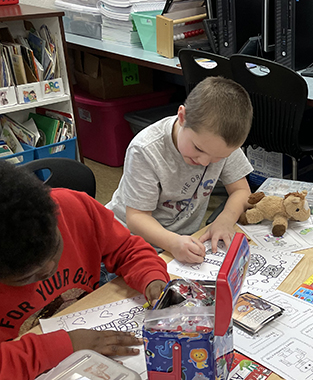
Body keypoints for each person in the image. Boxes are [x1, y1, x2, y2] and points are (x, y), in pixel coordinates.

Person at [0, 158, 170, 380]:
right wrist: (63, 346)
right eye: (26, 277)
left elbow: (127, 247)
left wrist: (152, 277)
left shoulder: (69, 207)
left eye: (55, 248)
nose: (50, 268)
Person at [106, 77, 254, 264]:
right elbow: (136, 217)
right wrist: (173, 243)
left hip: (176, 244)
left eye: (219, 158)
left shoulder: (219, 144)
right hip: (126, 244)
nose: (205, 161)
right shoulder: (145, 149)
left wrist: (224, 220)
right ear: (182, 117)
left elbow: (241, 191)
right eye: (198, 149)